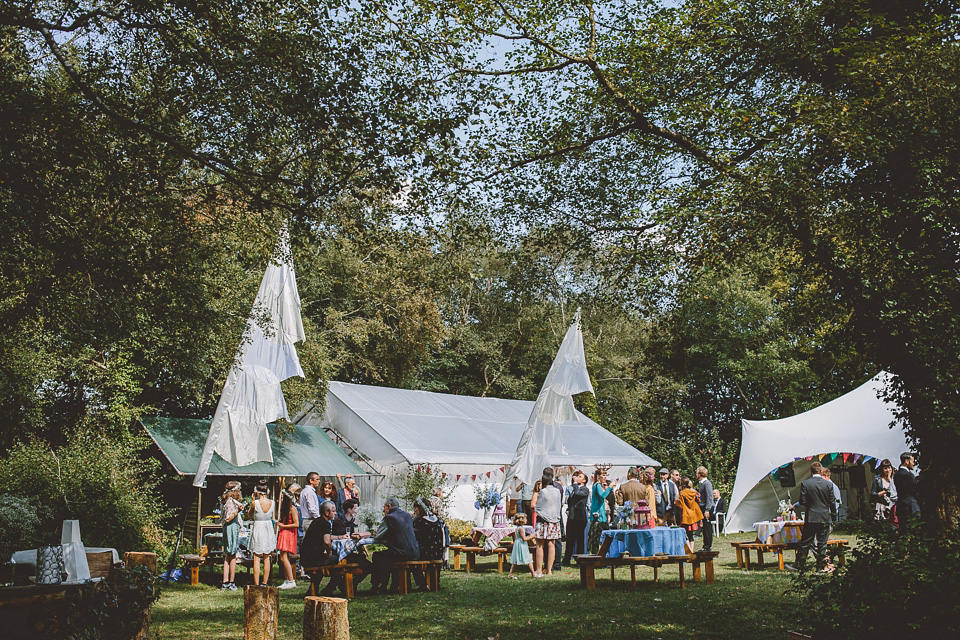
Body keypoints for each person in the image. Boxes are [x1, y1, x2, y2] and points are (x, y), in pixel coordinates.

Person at [790, 462, 837, 572]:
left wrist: (810, 504)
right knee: (822, 543)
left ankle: (799, 565)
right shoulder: (828, 485)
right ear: (821, 471)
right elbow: (832, 502)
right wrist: (834, 518)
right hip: (825, 517)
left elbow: (803, 501)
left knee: (805, 543)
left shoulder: (805, 483)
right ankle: (821, 567)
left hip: (811, 516)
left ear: (810, 471)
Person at [368, 498, 419, 594]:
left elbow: (379, 536)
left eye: (384, 507)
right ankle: (394, 584)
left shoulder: (389, 518)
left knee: (378, 556)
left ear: (389, 506)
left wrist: (376, 532)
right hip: (414, 551)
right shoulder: (407, 516)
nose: (383, 510)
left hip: (401, 553)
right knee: (386, 556)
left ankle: (379, 585)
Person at [300, 501, 342, 594]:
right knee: (340, 560)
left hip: (305, 557)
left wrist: (340, 537)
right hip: (313, 560)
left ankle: (313, 589)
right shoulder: (325, 523)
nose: (335, 513)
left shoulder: (317, 521)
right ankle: (330, 588)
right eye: (333, 511)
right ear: (327, 512)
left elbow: (325, 536)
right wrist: (329, 553)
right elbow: (327, 542)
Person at [531, 468, 562, 576]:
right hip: (554, 520)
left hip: (543, 520)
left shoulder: (543, 491)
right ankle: (549, 570)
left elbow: (537, 507)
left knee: (540, 545)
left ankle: (539, 569)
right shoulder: (557, 491)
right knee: (551, 545)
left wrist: (538, 510)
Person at [246, 480, 277, 586]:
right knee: (267, 557)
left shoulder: (255, 503)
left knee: (257, 557)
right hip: (268, 527)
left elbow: (249, 515)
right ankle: (264, 582)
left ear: (257, 492)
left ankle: (256, 583)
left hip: (258, 527)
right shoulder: (272, 503)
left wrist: (252, 501)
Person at [411, 497, 445, 590]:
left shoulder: (420, 521)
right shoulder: (436, 520)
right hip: (437, 552)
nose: (415, 511)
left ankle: (421, 583)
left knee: (410, 558)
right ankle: (435, 583)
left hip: (426, 552)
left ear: (421, 509)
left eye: (416, 509)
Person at [562, 470, 590, 565]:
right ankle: (566, 559)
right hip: (572, 517)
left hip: (580, 518)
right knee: (570, 539)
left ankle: (580, 559)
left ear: (584, 480)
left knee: (580, 539)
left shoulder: (585, 490)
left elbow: (578, 493)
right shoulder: (574, 488)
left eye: (580, 477)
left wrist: (574, 484)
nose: (577, 478)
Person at [220, 481, 243, 591]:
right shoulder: (230, 502)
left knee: (227, 554)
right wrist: (238, 511)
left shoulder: (226, 500)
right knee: (232, 555)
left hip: (226, 528)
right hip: (231, 527)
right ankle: (230, 581)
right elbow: (228, 518)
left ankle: (225, 581)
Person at [276, 487, 300, 589]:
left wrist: (283, 526)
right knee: (284, 557)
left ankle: (291, 580)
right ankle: (286, 580)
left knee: (284, 557)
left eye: (281, 497)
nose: (280, 499)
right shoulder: (285, 509)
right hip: (284, 532)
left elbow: (296, 524)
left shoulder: (292, 509)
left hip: (288, 533)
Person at [675, 477, 704, 553]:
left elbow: (680, 505)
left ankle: (688, 551)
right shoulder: (693, 492)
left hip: (685, 515)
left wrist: (676, 502)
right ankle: (692, 550)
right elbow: (698, 500)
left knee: (685, 535)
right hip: (693, 515)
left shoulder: (682, 493)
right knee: (691, 535)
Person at [588, 468, 613, 554]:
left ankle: (601, 554)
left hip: (601, 515)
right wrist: (609, 488)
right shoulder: (597, 485)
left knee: (600, 536)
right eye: (603, 475)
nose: (605, 477)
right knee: (597, 537)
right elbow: (602, 495)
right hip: (598, 516)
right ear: (598, 476)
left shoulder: (597, 485)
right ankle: (596, 555)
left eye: (606, 475)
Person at [894, 452, 920, 527]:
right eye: (912, 461)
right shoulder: (907, 475)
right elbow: (914, 490)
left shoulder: (897, 474)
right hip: (911, 505)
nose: (914, 464)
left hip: (901, 505)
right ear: (906, 461)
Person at [507, 512, 537, 579]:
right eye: (525, 519)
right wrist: (531, 536)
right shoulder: (520, 528)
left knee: (516, 561)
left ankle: (511, 574)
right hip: (521, 545)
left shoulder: (519, 528)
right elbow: (524, 538)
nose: (526, 520)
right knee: (529, 559)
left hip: (519, 544)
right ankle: (533, 574)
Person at [696, 466, 715, 552]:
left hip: (707, 507)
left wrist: (707, 510)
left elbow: (709, 497)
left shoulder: (707, 483)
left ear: (700, 474)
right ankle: (705, 545)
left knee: (707, 527)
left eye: (697, 473)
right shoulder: (701, 484)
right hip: (703, 507)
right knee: (704, 527)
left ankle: (707, 546)